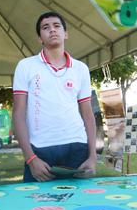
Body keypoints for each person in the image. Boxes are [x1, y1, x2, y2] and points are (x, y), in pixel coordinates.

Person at [12, 11, 96, 182]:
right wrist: (30, 158)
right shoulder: (25, 66)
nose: (52, 30)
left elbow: (88, 114)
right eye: (45, 27)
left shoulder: (81, 69)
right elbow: (18, 114)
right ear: (39, 38)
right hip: (40, 151)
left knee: (78, 198)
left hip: (77, 147)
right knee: (36, 199)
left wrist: (93, 156)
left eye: (57, 26)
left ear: (66, 34)